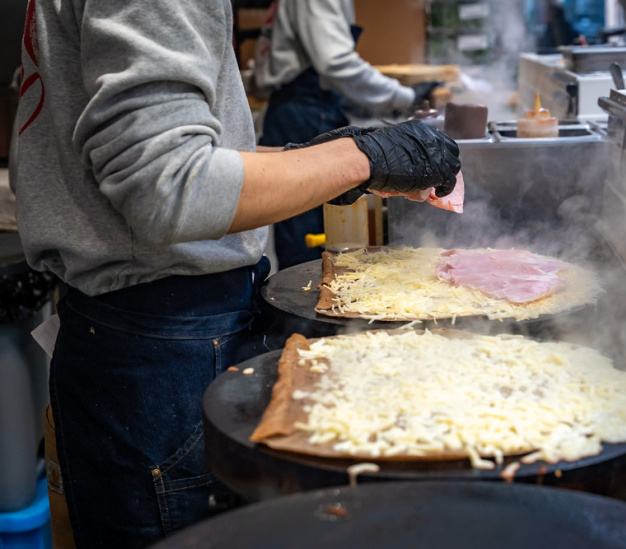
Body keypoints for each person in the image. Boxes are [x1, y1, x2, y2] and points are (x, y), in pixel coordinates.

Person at [11, 0, 460, 547]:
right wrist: (362, 156)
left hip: (134, 334)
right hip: (163, 352)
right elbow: (169, 188)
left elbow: (176, 154)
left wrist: (313, 164)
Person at [253, 0, 442, 270]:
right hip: (303, 114)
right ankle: (306, 303)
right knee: (308, 240)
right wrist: (406, 97)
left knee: (319, 229)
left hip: (305, 107)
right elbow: (336, 63)